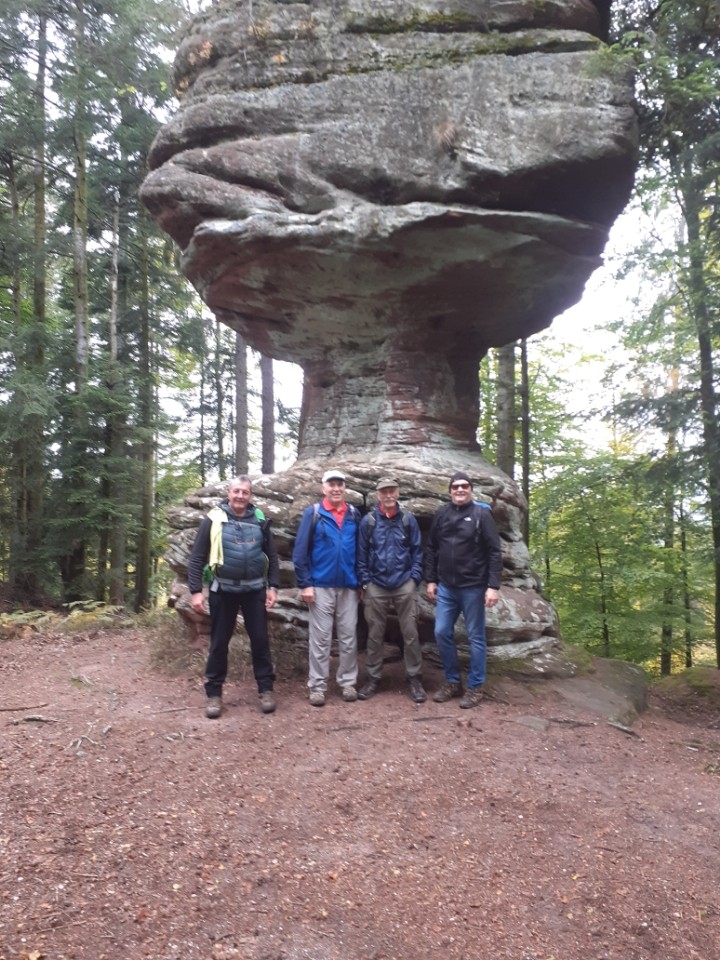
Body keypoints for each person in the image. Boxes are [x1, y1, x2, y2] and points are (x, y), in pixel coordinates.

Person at [187, 476, 279, 719]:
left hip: (255, 590)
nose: (240, 496)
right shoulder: (214, 518)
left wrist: (273, 587)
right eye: (236, 491)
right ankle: (214, 694)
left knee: (260, 641)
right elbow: (197, 557)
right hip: (223, 590)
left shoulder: (259, 519)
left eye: (245, 492)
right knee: (219, 643)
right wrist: (196, 590)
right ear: (229, 493)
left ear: (250, 496)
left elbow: (271, 554)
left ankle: (266, 690)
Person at [424, 471, 502, 709]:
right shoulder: (442, 514)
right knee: (441, 632)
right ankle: (452, 681)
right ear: (449, 491)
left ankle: (476, 687)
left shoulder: (481, 514)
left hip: (473, 587)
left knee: (475, 637)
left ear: (471, 489)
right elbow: (432, 548)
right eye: (455, 486)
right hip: (447, 586)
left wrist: (493, 586)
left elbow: (494, 551)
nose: (460, 490)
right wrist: (431, 580)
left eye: (464, 486)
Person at [292, 469, 361, 707]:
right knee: (320, 639)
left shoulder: (353, 513)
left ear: (344, 488)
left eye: (340, 484)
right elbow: (300, 552)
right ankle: (318, 686)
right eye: (331, 484)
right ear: (324, 488)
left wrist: (360, 581)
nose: (336, 488)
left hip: (349, 586)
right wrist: (305, 584)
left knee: (349, 636)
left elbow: (360, 550)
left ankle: (348, 682)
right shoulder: (313, 513)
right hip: (320, 585)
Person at [356, 478, 426, 703]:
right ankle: (373, 677)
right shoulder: (369, 521)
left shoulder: (407, 520)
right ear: (378, 495)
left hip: (404, 583)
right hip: (376, 584)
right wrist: (365, 582)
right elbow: (361, 554)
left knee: (410, 632)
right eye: (383, 491)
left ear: (397, 493)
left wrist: (414, 578)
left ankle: (414, 677)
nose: (388, 495)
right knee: (375, 634)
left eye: (391, 491)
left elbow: (417, 551)